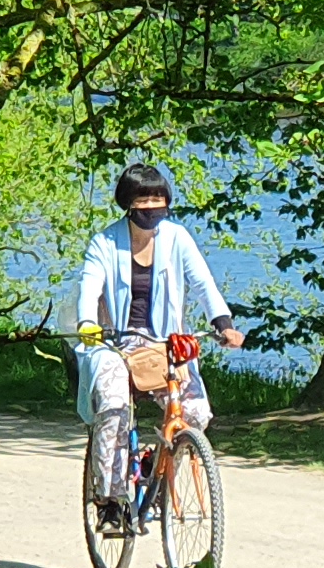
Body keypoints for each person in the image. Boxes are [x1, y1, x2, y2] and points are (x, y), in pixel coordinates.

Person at [73, 161, 246, 525]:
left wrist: (224, 324)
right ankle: (111, 500)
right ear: (128, 205)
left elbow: (203, 283)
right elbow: (89, 288)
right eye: (143, 203)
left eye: (159, 203)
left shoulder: (177, 238)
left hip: (165, 344)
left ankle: (157, 464)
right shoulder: (104, 243)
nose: (152, 211)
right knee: (114, 407)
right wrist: (88, 324)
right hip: (115, 343)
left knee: (194, 414)